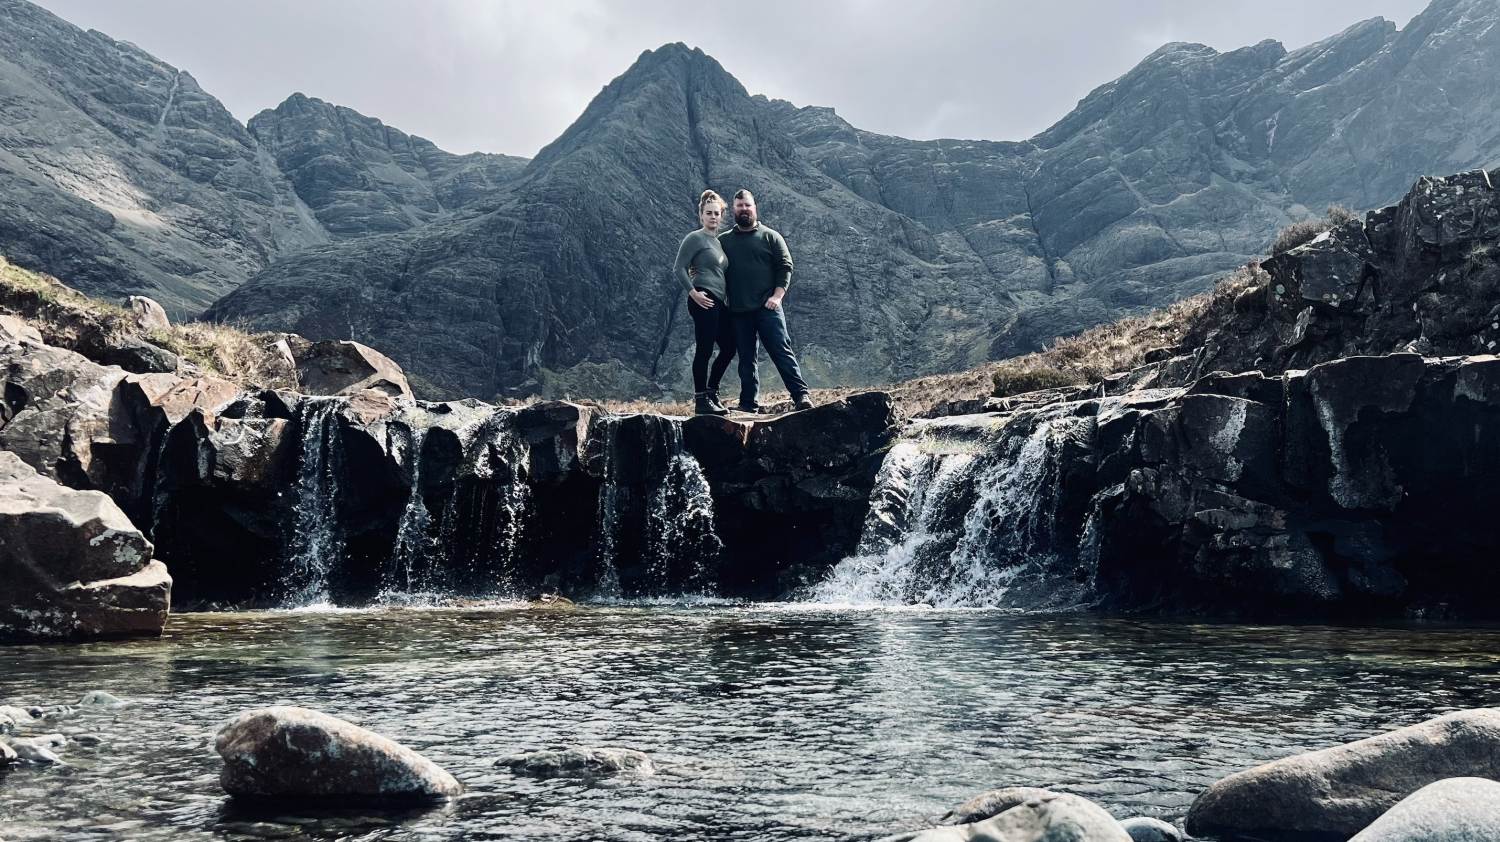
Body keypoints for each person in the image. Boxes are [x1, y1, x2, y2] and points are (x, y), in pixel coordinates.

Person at [720, 189, 813, 412]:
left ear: (755, 207)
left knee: (781, 350)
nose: (744, 209)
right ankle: (748, 404)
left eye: (748, 205)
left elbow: (785, 267)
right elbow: (712, 268)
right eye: (740, 206)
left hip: (768, 308)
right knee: (746, 360)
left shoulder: (771, 236)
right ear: (734, 209)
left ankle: (801, 396)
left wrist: (777, 297)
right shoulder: (723, 241)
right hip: (739, 311)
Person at [672, 189, 735, 415]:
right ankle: (700, 401)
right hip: (703, 296)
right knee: (705, 348)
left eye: (717, 213)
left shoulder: (717, 243)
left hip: (719, 301)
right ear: (701, 215)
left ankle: (712, 393)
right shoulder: (695, 238)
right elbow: (678, 268)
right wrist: (692, 292)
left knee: (729, 347)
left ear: (721, 216)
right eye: (708, 213)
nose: (713, 217)